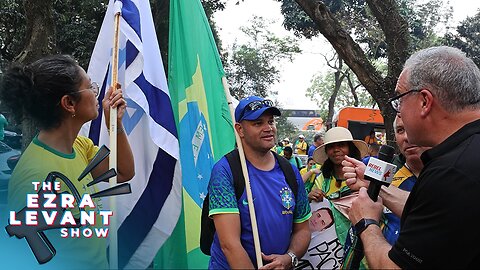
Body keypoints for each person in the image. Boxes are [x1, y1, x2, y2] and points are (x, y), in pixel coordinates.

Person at [343, 46, 480, 268]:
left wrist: (367, 223)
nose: (399, 112)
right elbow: (439, 210)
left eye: (400, 99)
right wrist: (376, 185)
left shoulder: (451, 170)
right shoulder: (464, 159)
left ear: (425, 101)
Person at [1, 55, 135, 269]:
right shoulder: (35, 176)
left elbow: (123, 172)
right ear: (69, 103)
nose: (96, 93)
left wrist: (115, 124)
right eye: (90, 87)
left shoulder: (79, 146)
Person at [207, 96, 311, 269]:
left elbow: (303, 229)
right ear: (240, 130)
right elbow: (229, 245)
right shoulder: (225, 171)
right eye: (258, 123)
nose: (268, 128)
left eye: (271, 121)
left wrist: (289, 257)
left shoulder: (290, 171)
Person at [310, 127, 368, 251]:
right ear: (326, 151)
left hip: (362, 243)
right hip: (330, 248)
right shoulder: (321, 180)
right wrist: (311, 197)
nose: (336, 150)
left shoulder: (364, 177)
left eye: (341, 145)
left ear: (350, 148)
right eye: (331, 147)